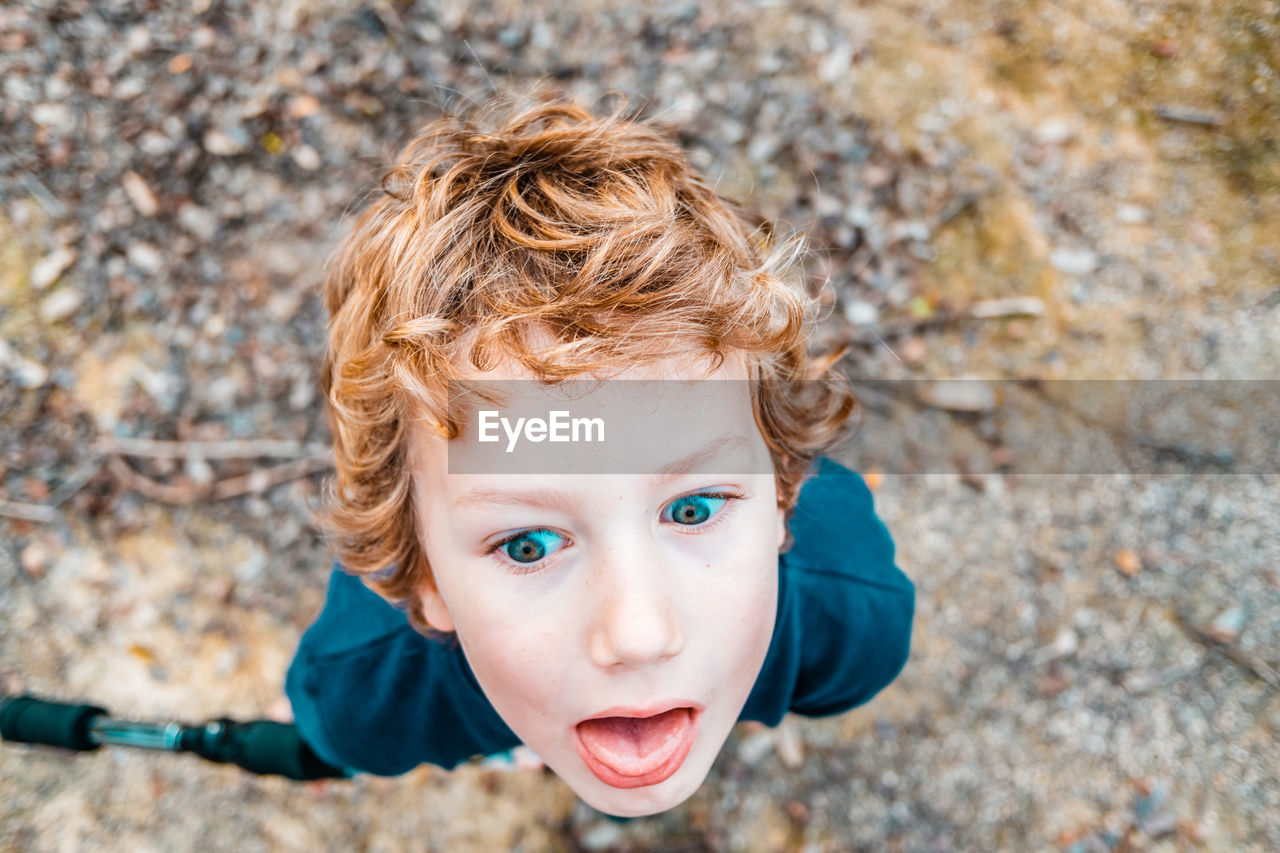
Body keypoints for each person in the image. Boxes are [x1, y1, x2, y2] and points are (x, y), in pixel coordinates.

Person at [283, 93, 914, 818]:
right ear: (418, 575)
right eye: (527, 543)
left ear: (782, 494)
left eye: (693, 507)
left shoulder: (856, 623)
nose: (639, 633)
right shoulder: (361, 696)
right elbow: (320, 710)